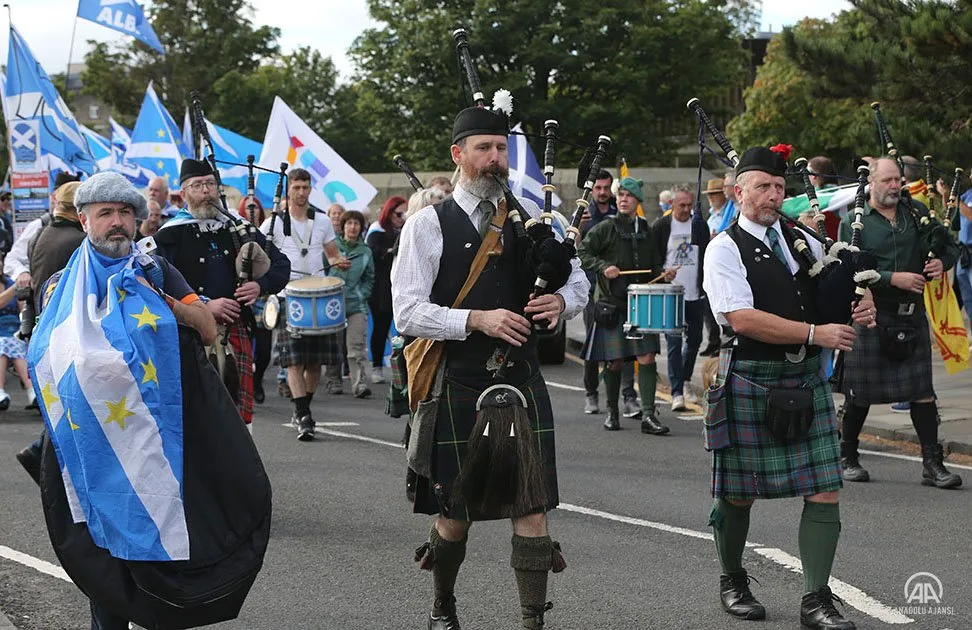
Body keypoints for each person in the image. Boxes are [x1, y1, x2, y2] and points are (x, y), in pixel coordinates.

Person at [392, 101, 588, 630]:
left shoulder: (535, 220)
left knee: (532, 505)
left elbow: (579, 281)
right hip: (458, 378)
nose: (495, 159)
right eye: (483, 148)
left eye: (501, 148)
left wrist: (561, 304)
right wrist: (476, 319)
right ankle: (443, 606)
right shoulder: (427, 225)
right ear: (458, 154)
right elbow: (407, 312)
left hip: (521, 380)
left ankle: (532, 621)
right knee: (455, 513)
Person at [22, 171, 217, 629]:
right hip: (90, 445)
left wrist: (162, 301)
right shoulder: (60, 286)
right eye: (105, 212)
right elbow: (47, 356)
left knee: (154, 552)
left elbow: (206, 327)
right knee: (105, 565)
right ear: (85, 220)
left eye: (125, 212)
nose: (117, 222)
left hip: (154, 438)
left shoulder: (156, 269)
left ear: (137, 219)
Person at [703, 146, 876, 630]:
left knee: (824, 489)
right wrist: (813, 334)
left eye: (779, 187)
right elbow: (740, 318)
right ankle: (733, 579)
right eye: (762, 186)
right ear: (739, 192)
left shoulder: (803, 238)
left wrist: (861, 304)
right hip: (751, 378)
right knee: (738, 494)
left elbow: (838, 288)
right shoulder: (724, 247)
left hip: (805, 379)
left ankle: (816, 599)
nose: (773, 195)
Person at [837, 157, 963, 489]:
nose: (896, 185)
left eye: (898, 179)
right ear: (871, 183)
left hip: (912, 314)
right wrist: (893, 278)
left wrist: (941, 263)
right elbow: (847, 266)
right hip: (872, 312)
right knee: (859, 393)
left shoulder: (917, 214)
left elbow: (949, 246)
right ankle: (847, 456)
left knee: (923, 392)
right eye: (888, 180)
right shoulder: (855, 221)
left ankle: (931, 464)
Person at [154, 159, 289, 433]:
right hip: (189, 332)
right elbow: (156, 285)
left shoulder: (238, 228)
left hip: (236, 330)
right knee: (198, 407)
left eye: (210, 184)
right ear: (183, 194)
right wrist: (203, 305)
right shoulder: (169, 235)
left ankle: (241, 466)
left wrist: (260, 286)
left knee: (237, 408)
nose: (206, 191)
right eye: (197, 185)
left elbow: (281, 265)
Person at [578, 176, 674, 434]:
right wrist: (603, 267)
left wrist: (663, 273)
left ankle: (648, 416)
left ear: (637, 201)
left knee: (646, 357)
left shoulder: (646, 228)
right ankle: (612, 411)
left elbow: (654, 263)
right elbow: (583, 253)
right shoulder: (605, 228)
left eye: (628, 196)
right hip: (612, 303)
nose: (622, 199)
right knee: (615, 360)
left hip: (641, 301)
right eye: (620, 195)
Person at [260, 168, 348, 438]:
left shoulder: (321, 221)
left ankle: (302, 409)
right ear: (288, 190)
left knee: (315, 363)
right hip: (288, 296)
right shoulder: (273, 223)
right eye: (296, 187)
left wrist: (338, 262)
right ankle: (304, 415)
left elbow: (332, 254)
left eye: (305, 187)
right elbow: (259, 257)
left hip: (319, 297)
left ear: (310, 189)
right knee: (293, 362)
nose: (301, 192)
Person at [577, 169, 637, 417]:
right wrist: (577, 230)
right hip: (593, 290)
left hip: (622, 291)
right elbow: (575, 252)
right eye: (598, 188)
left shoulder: (621, 210)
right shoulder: (582, 212)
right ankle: (591, 393)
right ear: (592, 190)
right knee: (593, 348)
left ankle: (628, 397)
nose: (602, 192)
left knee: (627, 346)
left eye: (606, 187)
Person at [652, 185, 709, 411]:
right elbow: (653, 257)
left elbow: (707, 251)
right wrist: (662, 273)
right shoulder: (662, 225)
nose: (686, 209)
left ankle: (685, 381)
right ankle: (676, 392)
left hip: (695, 292)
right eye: (681, 205)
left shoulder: (699, 225)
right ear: (672, 205)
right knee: (674, 342)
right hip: (671, 292)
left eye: (689, 205)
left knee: (694, 340)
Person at [4, 172, 81, 296]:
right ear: (54, 197)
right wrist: (22, 273)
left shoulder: (85, 227)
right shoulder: (39, 225)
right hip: (42, 297)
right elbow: (12, 259)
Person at [329, 210, 374, 397]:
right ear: (343, 226)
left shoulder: (365, 251)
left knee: (356, 346)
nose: (353, 227)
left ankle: (359, 384)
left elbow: (370, 277)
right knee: (334, 346)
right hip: (333, 304)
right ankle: (333, 381)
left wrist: (362, 294)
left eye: (356, 223)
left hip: (357, 306)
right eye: (349, 223)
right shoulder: (332, 247)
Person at [27, 181, 86, 312]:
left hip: (41, 319)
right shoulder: (82, 241)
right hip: (65, 320)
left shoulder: (38, 235)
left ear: (58, 203)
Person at [367, 195, 407, 384]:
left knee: (404, 330)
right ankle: (376, 365)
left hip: (403, 287)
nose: (402, 217)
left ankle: (403, 367)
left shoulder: (408, 230)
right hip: (382, 289)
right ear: (389, 213)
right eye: (399, 214)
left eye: (404, 214)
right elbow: (374, 258)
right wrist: (390, 251)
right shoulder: (377, 233)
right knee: (381, 328)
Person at [238, 196, 271, 403]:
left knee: (265, 350)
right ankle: (248, 386)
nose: (253, 210)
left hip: (264, 300)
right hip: (242, 299)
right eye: (249, 207)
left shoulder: (267, 231)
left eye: (255, 207)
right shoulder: (237, 232)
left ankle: (258, 379)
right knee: (245, 349)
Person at [0, 264, 32, 411]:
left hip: (14, 329)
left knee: (17, 343)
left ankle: (32, 392)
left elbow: (22, 308)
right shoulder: (13, 286)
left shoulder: (9, 283)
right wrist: (15, 288)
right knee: (2, 345)